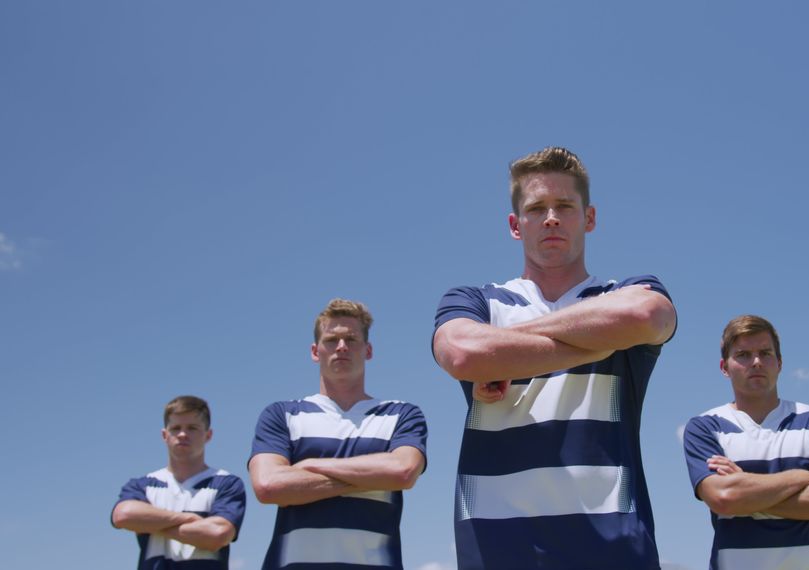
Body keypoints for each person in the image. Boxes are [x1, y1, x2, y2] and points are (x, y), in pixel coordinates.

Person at [432, 146, 677, 569]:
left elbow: (646, 314)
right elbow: (461, 351)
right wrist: (598, 342)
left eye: (565, 205)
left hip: (613, 549)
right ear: (515, 225)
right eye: (536, 208)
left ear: (590, 218)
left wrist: (505, 349)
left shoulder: (626, 291)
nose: (550, 218)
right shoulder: (475, 300)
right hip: (498, 548)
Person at [249, 299, 428, 570]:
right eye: (332, 339)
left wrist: (310, 467)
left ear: (368, 350)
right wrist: (375, 476)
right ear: (315, 351)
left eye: (351, 339)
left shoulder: (401, 414)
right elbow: (268, 486)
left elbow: (403, 472)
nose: (341, 346)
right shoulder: (282, 415)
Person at [682, 315, 809, 570]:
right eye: (743, 354)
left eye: (765, 353)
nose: (756, 362)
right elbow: (725, 498)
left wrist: (746, 490)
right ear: (724, 367)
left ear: (780, 363)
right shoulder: (705, 427)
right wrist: (802, 477)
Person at [112, 396, 246, 569]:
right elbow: (123, 515)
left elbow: (218, 534)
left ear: (208, 435)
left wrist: (152, 523)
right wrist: (187, 518)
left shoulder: (226, 483)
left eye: (192, 428)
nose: (183, 434)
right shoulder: (143, 485)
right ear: (164, 435)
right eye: (176, 428)